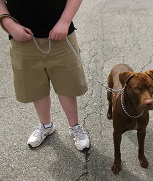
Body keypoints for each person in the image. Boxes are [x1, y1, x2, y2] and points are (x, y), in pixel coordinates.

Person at [0, 0, 90, 150]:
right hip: (22, 39)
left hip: (61, 35)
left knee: (67, 84)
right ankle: (46, 125)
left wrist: (65, 21)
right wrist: (9, 24)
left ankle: (75, 126)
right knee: (35, 85)